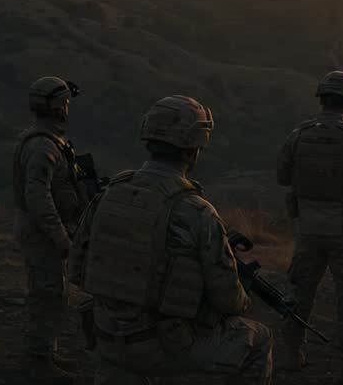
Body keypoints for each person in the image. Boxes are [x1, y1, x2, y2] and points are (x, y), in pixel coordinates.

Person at [69, 95, 272, 385]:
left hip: (105, 338)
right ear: (195, 148)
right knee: (259, 339)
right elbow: (228, 300)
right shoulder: (198, 212)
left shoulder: (109, 195)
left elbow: (77, 271)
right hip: (161, 345)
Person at [276, 70, 343, 383]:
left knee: (300, 290)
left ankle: (290, 355)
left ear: (321, 98)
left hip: (308, 228)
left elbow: (283, 178)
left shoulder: (299, 135)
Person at [14, 76, 88, 384]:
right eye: (65, 103)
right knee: (46, 294)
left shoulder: (45, 140)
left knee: (53, 293)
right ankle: (39, 361)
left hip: (45, 229)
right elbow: (37, 196)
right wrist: (59, 235)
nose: (67, 108)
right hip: (42, 232)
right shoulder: (43, 145)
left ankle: (47, 352)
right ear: (57, 107)